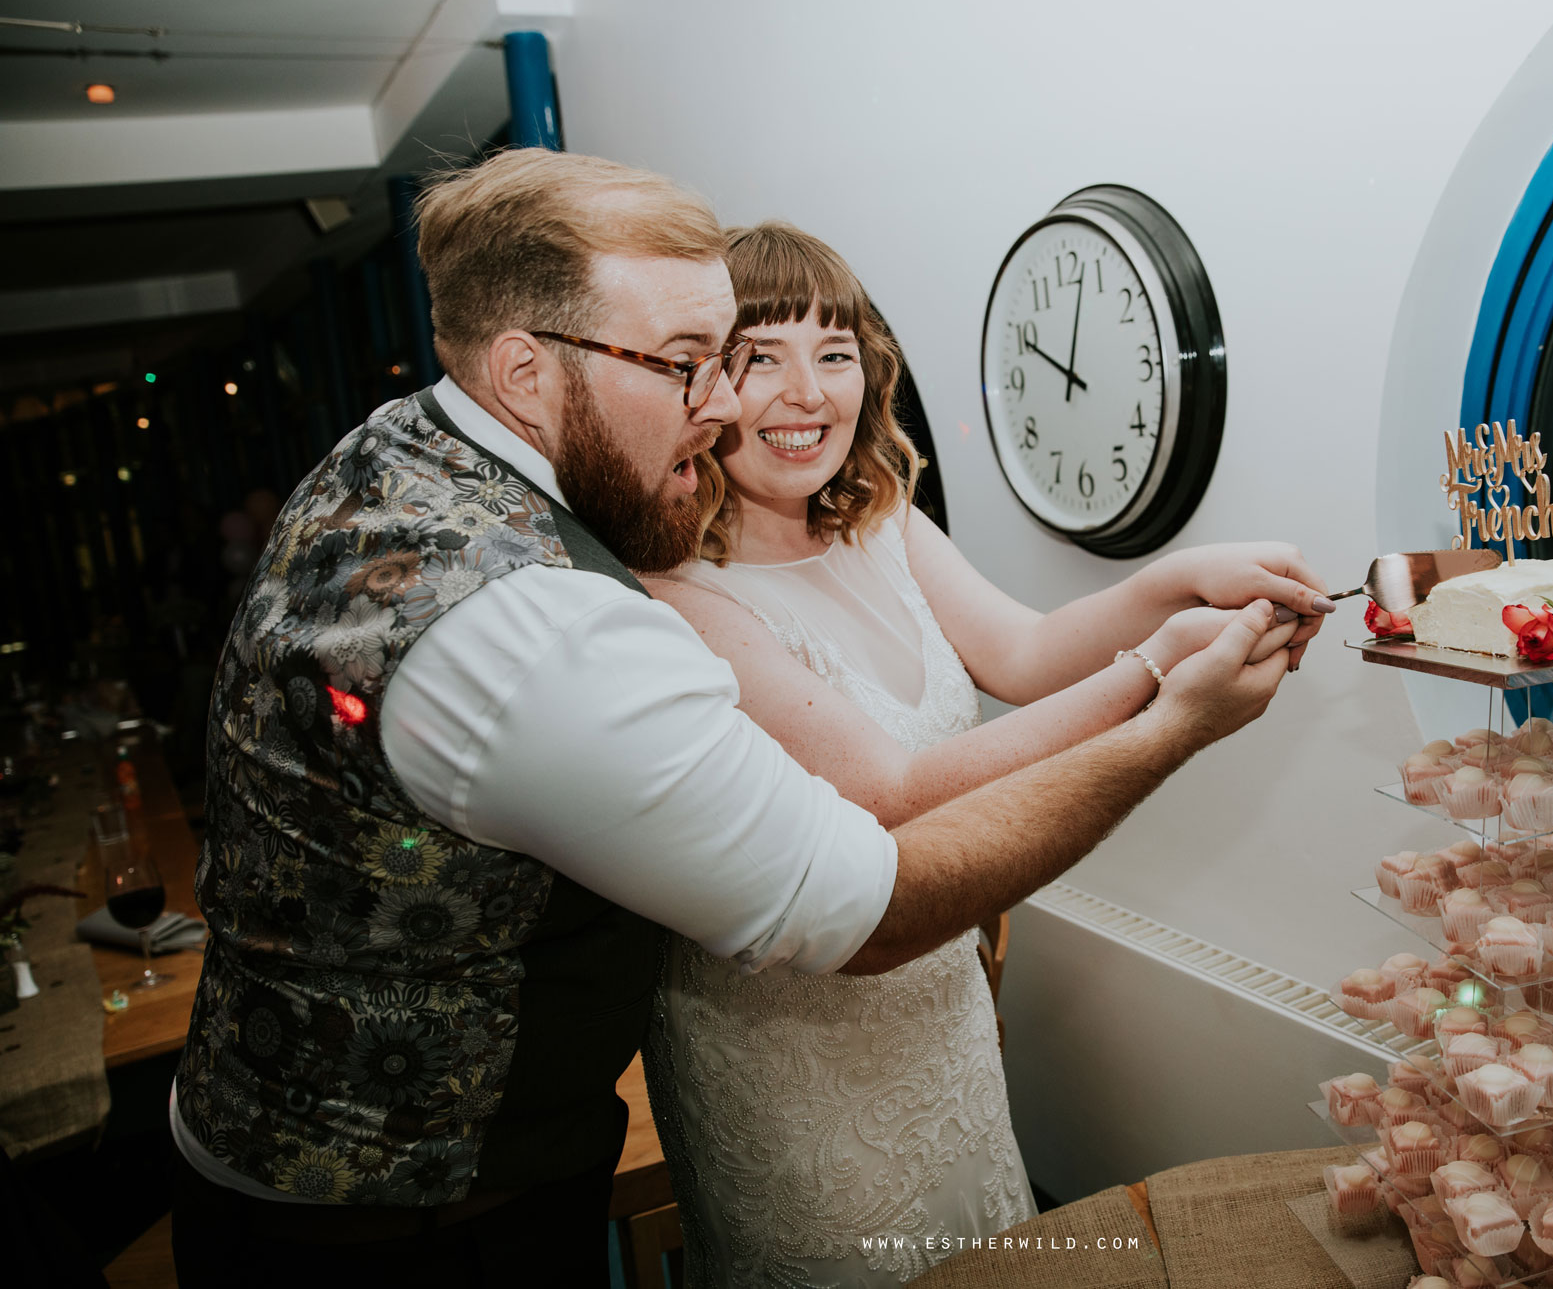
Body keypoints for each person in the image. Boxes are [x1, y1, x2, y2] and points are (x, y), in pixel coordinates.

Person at [168, 147, 1311, 1289]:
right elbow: (871, 902)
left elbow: (1015, 650)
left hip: (344, 1160)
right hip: (397, 1224)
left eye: (742, 359)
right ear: (521, 370)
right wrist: (1165, 716)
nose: (723, 404)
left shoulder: (400, 455)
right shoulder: (552, 623)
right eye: (690, 364)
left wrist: (1172, 589)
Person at [639, 222, 1331, 1287]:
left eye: (833, 353)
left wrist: (1181, 574)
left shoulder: (882, 523)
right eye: (758, 356)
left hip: (937, 1007)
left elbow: (1024, 650)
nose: (805, 393)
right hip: (790, 1056)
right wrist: (1155, 672)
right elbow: (889, 792)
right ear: (700, 388)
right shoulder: (679, 595)